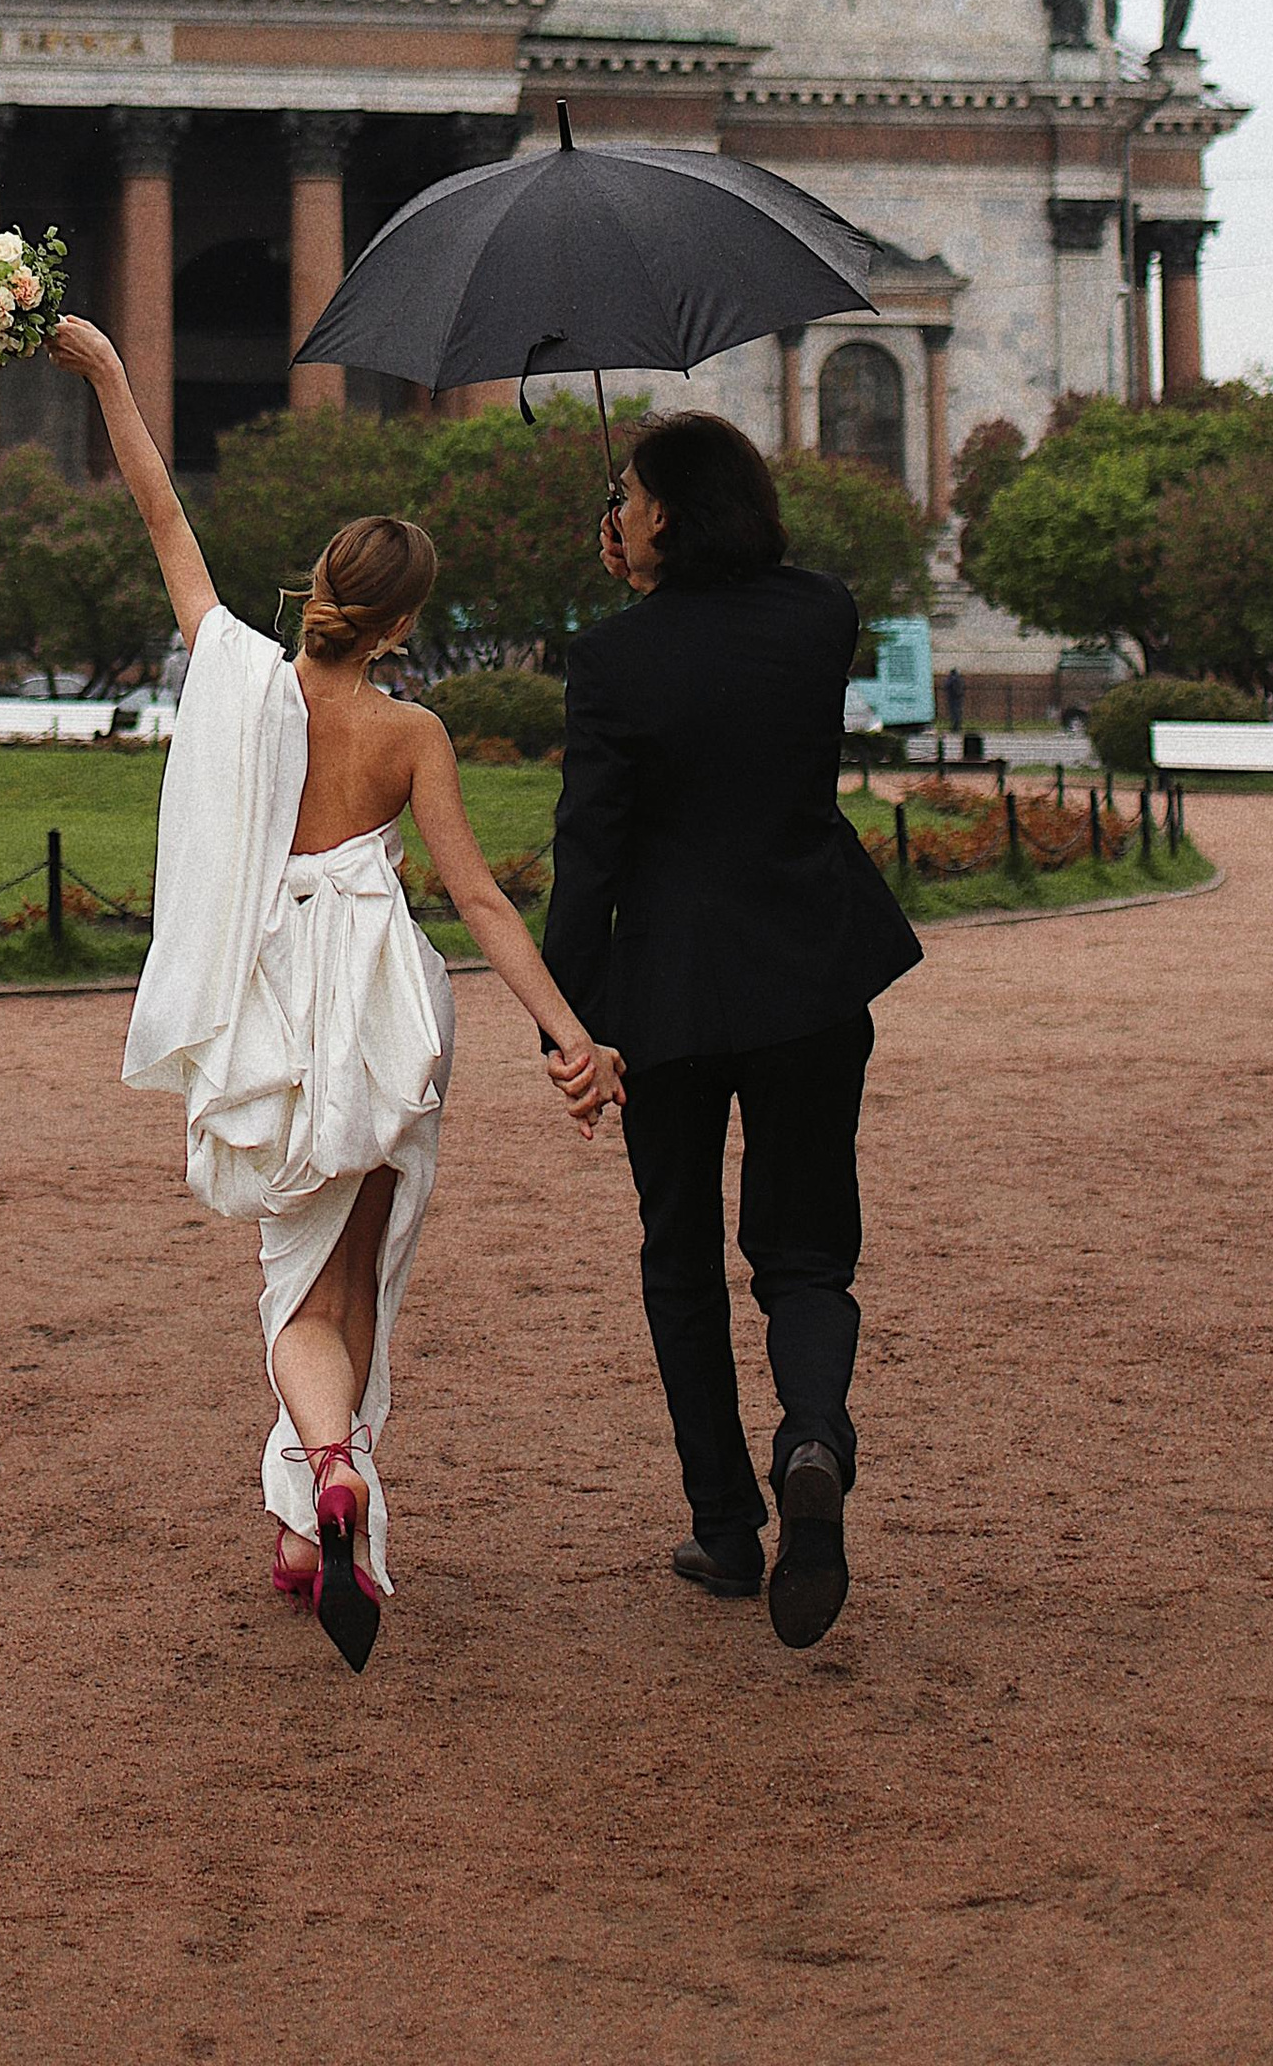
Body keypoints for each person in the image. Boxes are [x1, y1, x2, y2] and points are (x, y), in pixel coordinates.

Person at [49, 313, 607, 1673]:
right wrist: (568, 1031)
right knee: (357, 1286)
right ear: (407, 620)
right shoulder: (413, 729)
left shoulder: (240, 677)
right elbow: (477, 898)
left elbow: (161, 513)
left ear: (317, 588)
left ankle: (325, 1471)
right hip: (385, 1020)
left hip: (278, 1024)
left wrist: (113, 372)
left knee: (294, 1298)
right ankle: (317, 1518)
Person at [543, 411, 922, 1651]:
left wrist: (568, 1022)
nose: (623, 509)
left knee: (679, 1254)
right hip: (810, 972)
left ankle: (724, 1526)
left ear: (660, 516)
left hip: (671, 995)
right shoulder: (820, 613)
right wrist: (658, 579)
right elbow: (754, 622)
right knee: (806, 1253)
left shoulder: (609, 662)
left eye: (633, 494)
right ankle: (810, 1434)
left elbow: (588, 855)